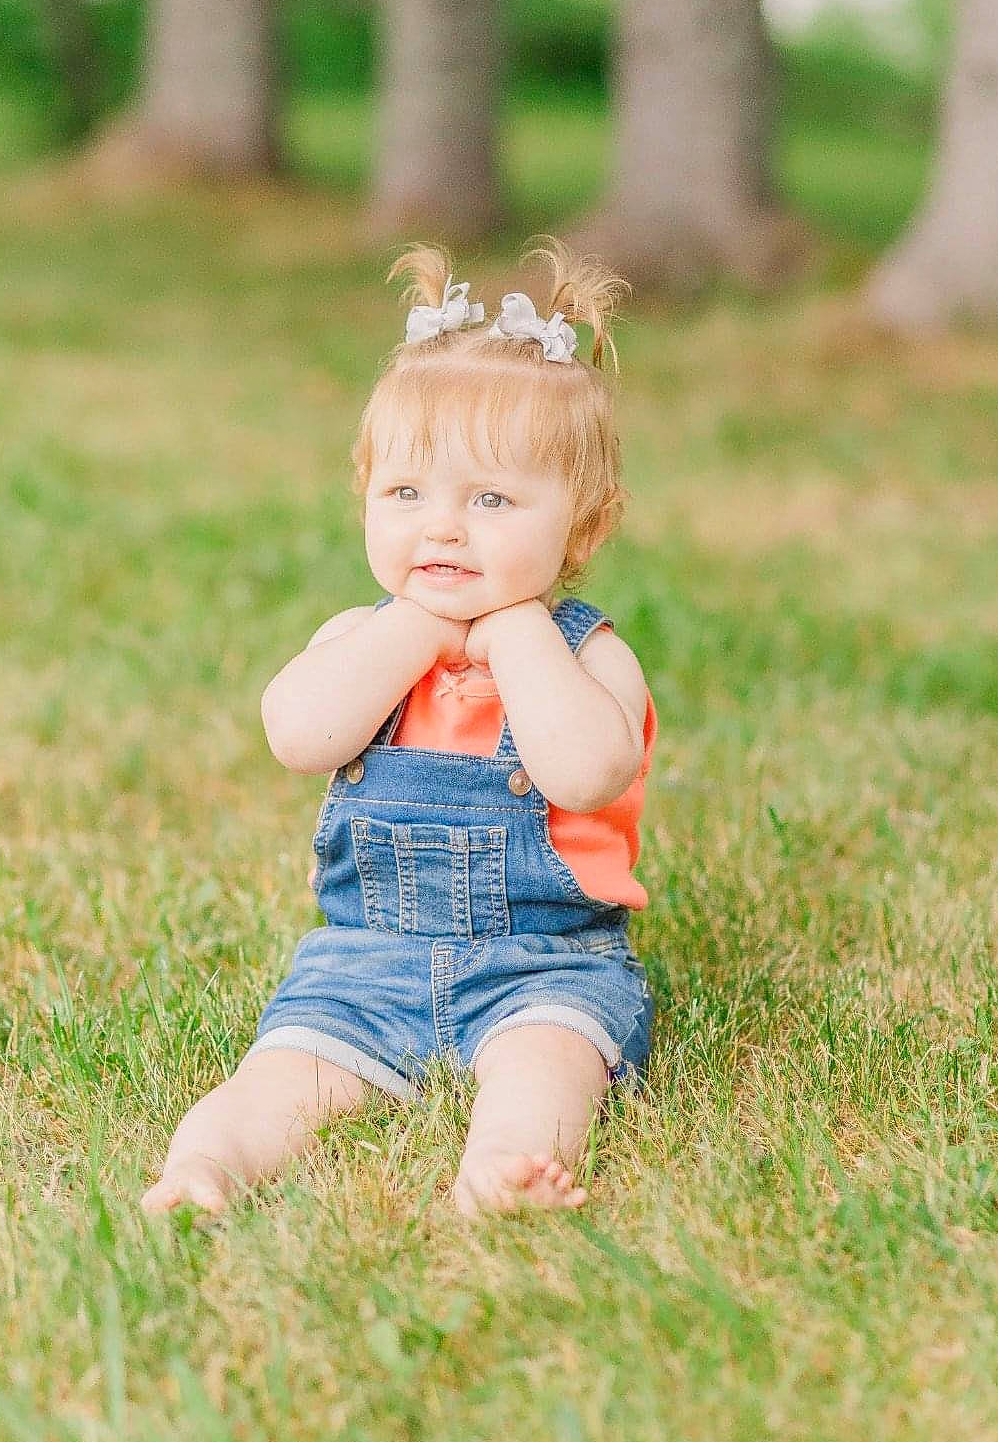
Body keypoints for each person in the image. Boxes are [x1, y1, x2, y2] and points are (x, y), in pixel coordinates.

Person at [142, 242, 656, 1219]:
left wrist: (516, 631)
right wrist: (417, 627)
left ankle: (502, 1170)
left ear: (582, 530)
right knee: (279, 1078)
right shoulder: (362, 640)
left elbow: (586, 772)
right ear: (366, 499)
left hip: (546, 964)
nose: (444, 527)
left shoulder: (590, 657)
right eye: (407, 494)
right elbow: (299, 732)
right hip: (362, 961)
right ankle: (202, 1167)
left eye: (492, 499)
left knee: (547, 1064)